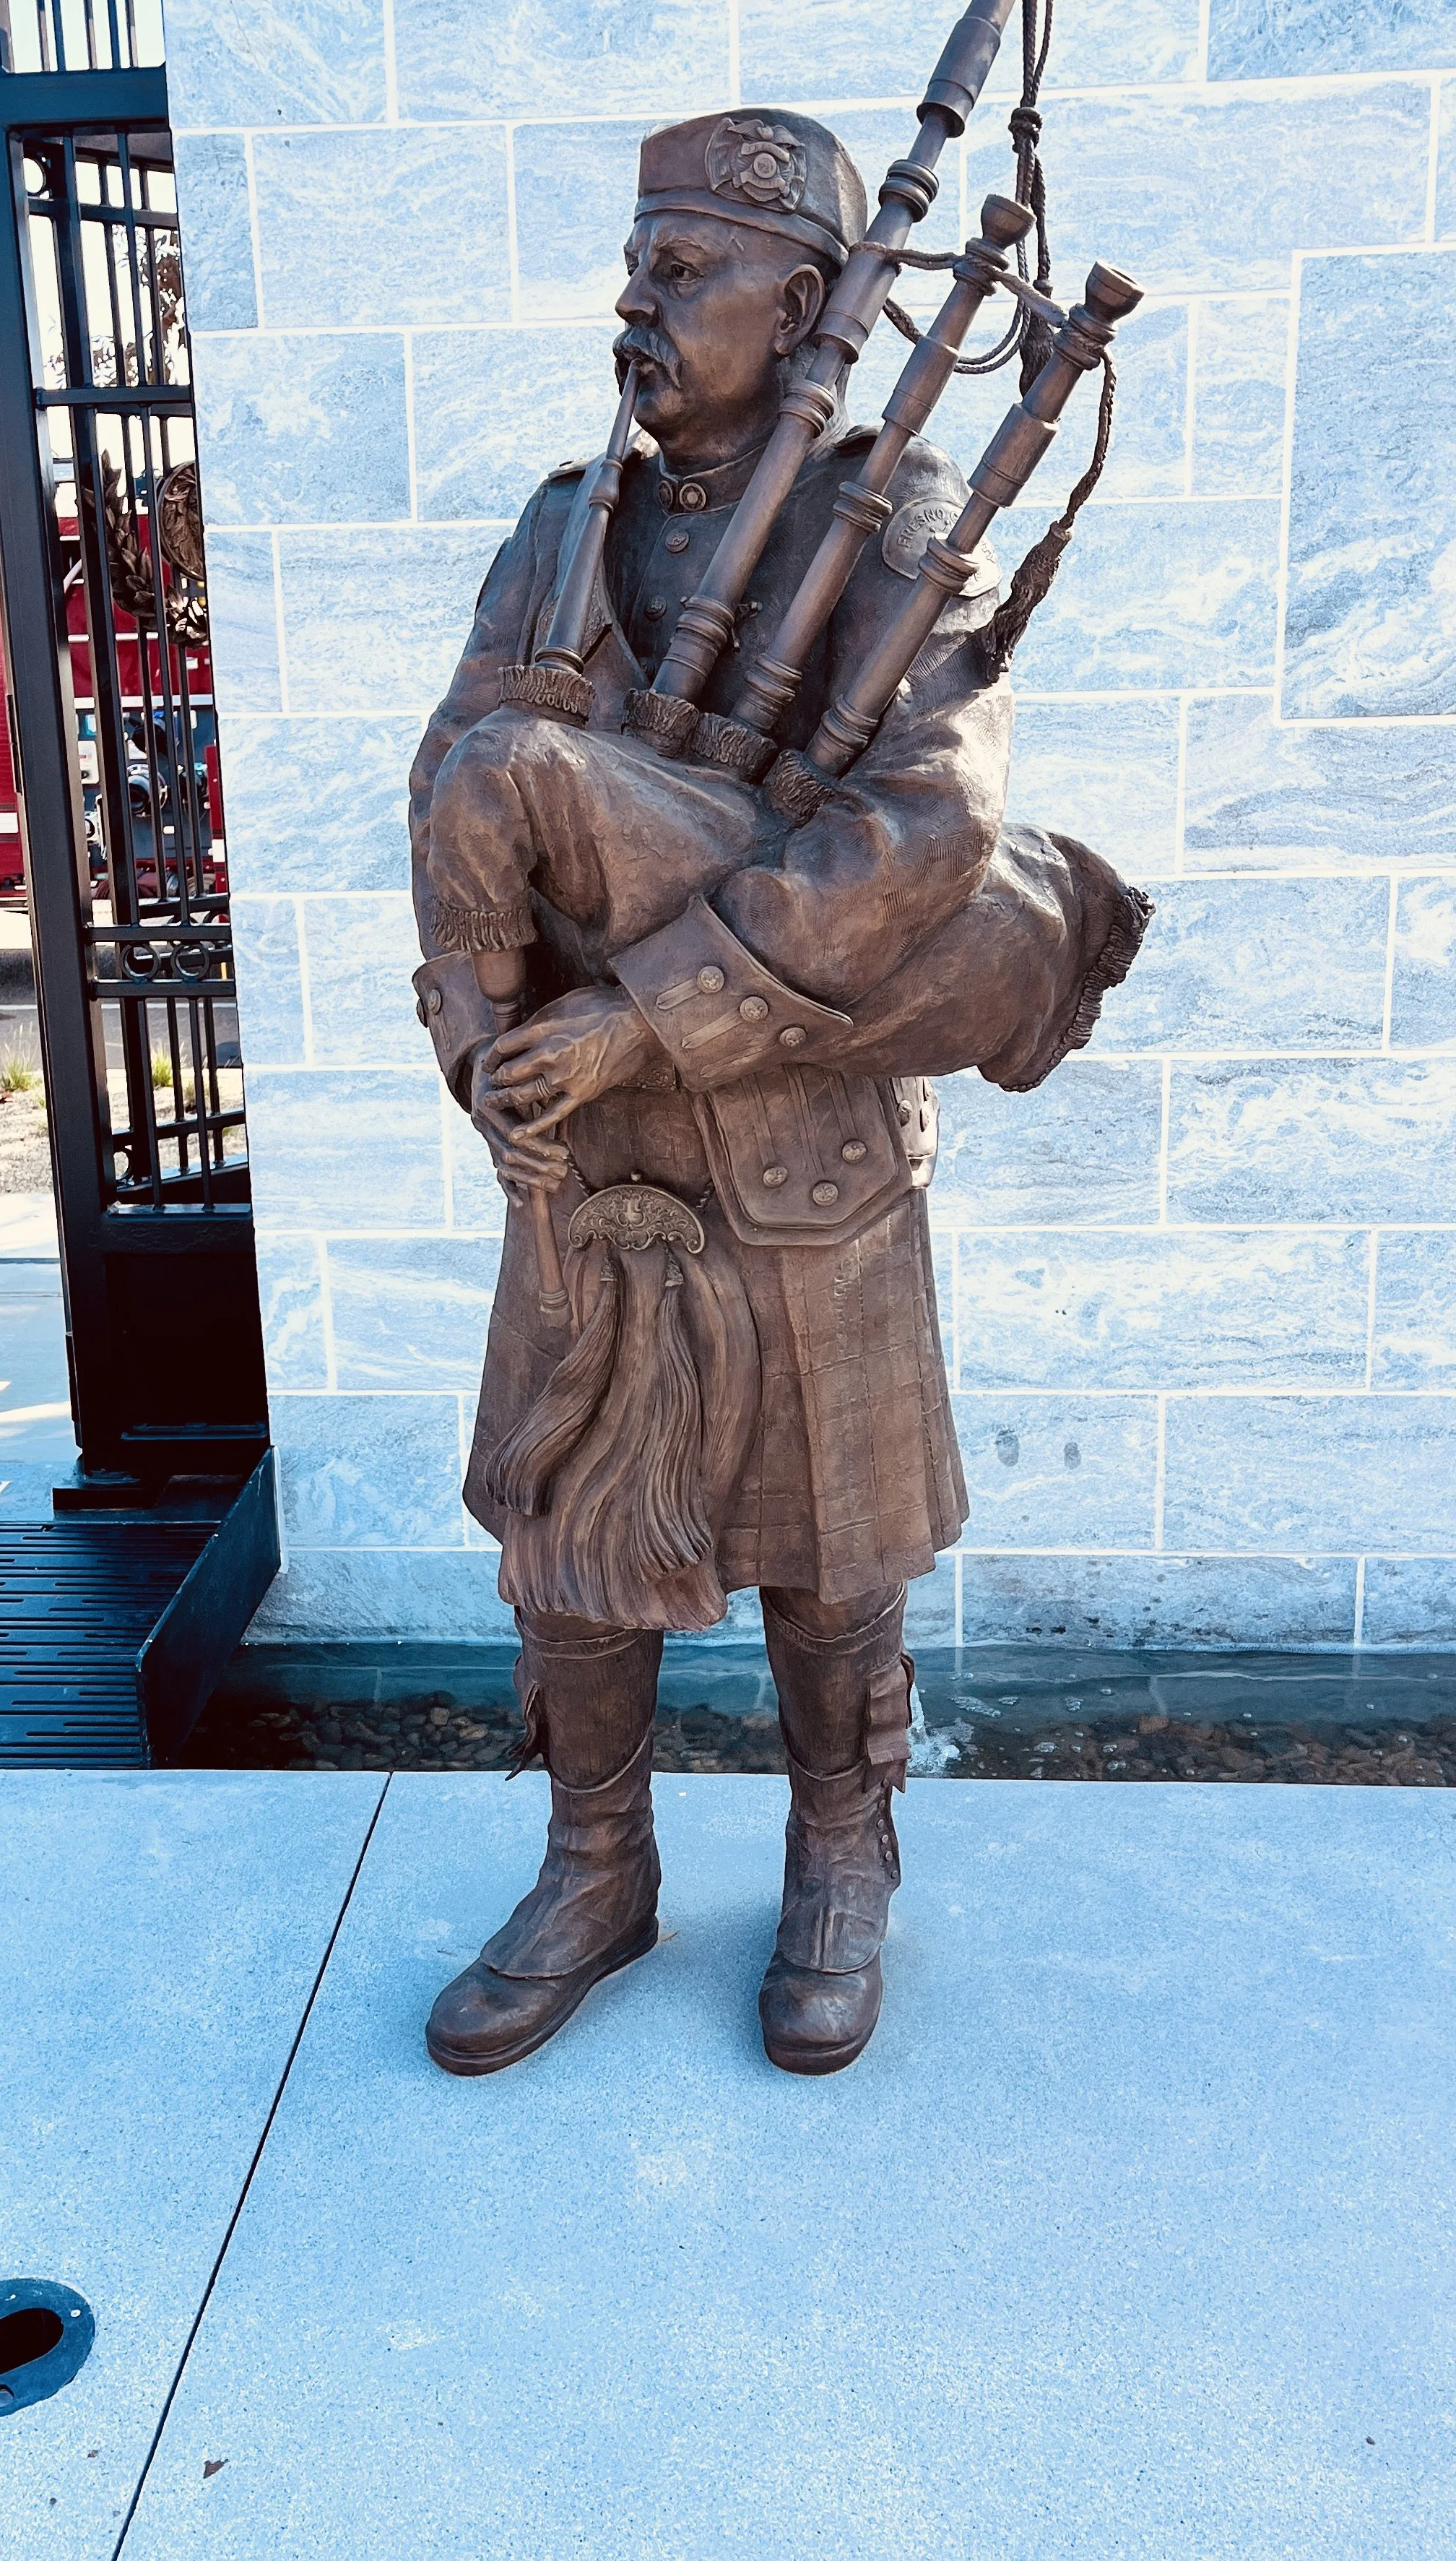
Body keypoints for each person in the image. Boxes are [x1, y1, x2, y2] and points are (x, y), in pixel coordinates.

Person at [407, 109, 1148, 2079]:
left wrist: (652, 1009)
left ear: (806, 304)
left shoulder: (886, 522)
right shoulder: (564, 524)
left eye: (679, 270)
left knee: (833, 1545)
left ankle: (839, 1856)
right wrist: (481, 1044)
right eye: (635, 265)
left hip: (796, 1116)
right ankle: (593, 1865)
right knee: (573, 1538)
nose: (633, 303)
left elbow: (926, 819)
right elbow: (450, 779)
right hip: (591, 1139)